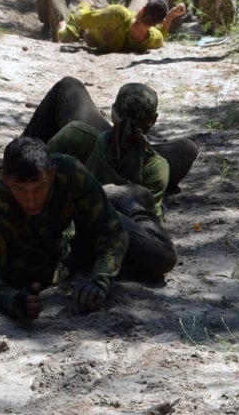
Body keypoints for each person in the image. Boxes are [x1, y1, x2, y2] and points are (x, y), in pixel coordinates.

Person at [23, 78, 199, 281]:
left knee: (70, 86)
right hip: (107, 167)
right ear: (154, 120)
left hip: (110, 193)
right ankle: (20, 153)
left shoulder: (78, 137)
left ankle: (20, 151)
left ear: (113, 109)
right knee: (184, 151)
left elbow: (148, 232)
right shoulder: (154, 167)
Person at [0, 136, 129, 320]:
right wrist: (12, 301)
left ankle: (131, 202)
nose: (31, 200)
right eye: (20, 189)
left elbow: (113, 231)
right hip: (58, 261)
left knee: (160, 257)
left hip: (76, 237)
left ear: (51, 174)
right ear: (6, 180)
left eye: (39, 188)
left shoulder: (69, 173)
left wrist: (101, 279)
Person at [50, 0, 186, 53]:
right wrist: (170, 18)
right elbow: (161, 37)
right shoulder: (153, 40)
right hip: (111, 16)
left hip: (98, 17)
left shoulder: (118, 13)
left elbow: (81, 19)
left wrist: (85, 4)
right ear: (158, 22)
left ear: (143, 10)